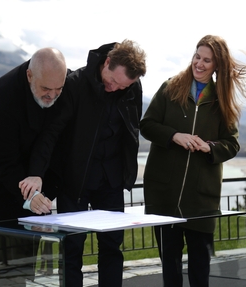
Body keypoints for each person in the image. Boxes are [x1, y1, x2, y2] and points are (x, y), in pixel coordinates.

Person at [19, 39, 147, 287]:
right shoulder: (75, 84)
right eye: (112, 82)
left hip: (111, 181)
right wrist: (36, 173)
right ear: (107, 62)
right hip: (75, 181)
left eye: (122, 87)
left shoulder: (131, 87)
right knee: (72, 249)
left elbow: (132, 129)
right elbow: (51, 133)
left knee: (112, 247)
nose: (115, 89)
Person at [140, 34, 246, 287]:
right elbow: (147, 125)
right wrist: (174, 136)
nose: (199, 63)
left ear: (217, 66)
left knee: (199, 270)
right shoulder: (169, 88)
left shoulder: (223, 101)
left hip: (201, 200)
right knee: (169, 267)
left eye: (207, 60)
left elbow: (232, 144)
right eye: (197, 56)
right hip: (164, 196)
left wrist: (208, 147)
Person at [0, 47, 67, 287]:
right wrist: (32, 196)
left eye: (58, 89)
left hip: (29, 184)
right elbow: (3, 162)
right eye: (46, 90)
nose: (52, 96)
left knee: (21, 268)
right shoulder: (2, 97)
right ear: (30, 76)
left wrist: (42, 189)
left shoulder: (60, 88)